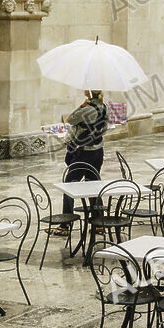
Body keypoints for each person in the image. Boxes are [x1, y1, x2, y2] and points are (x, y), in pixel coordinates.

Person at [57, 90, 109, 230]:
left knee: (69, 186)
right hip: (98, 151)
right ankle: (98, 222)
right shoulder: (104, 108)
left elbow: (71, 119)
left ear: (90, 93)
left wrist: (81, 106)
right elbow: (104, 128)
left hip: (85, 152)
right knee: (93, 185)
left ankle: (65, 225)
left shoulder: (87, 109)